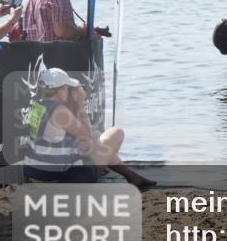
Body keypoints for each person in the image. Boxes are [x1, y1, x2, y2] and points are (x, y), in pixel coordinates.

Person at [23, 67, 155, 189]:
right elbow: (87, 134)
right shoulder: (60, 111)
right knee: (116, 133)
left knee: (97, 137)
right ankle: (131, 177)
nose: (70, 92)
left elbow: (51, 137)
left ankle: (132, 177)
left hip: (36, 174)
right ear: (61, 90)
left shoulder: (36, 106)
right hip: (58, 179)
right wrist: (80, 104)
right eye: (68, 88)